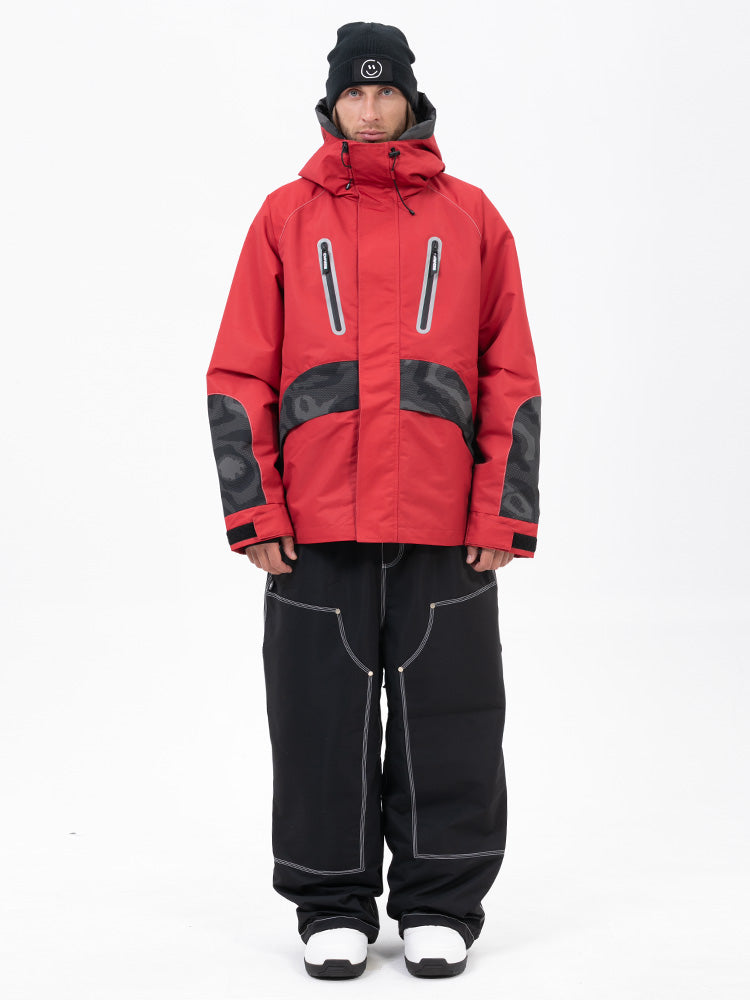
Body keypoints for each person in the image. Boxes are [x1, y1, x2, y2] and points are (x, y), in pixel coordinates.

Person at [206, 21, 542, 980]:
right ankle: (332, 903)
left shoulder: (473, 218)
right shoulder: (284, 216)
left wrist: (503, 511)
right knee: (318, 717)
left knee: (454, 715)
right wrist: (255, 511)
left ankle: (441, 903)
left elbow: (511, 373)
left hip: (445, 523)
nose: (368, 107)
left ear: (410, 99)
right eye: (352, 92)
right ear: (331, 103)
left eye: (383, 90)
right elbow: (238, 373)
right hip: (315, 525)